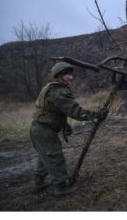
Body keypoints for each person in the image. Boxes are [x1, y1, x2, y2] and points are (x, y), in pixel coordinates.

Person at [29, 61, 108, 196]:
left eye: (71, 74)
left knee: (45, 155)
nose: (71, 77)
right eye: (67, 74)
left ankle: (38, 181)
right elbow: (75, 111)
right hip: (44, 130)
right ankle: (60, 187)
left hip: (38, 128)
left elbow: (55, 110)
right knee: (54, 156)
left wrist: (64, 125)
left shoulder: (51, 87)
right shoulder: (58, 91)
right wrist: (95, 115)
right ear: (59, 76)